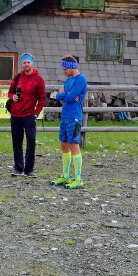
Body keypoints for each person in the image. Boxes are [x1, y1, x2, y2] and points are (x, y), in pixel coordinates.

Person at [51, 55, 88, 189]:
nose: (63, 71)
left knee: (74, 145)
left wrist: (60, 95)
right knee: (64, 145)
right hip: (65, 116)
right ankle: (65, 175)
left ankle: (78, 178)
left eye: (65, 69)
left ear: (71, 67)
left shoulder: (81, 79)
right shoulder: (69, 80)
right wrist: (64, 95)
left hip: (74, 117)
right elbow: (65, 95)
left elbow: (70, 97)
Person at [8, 53, 46, 177]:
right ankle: (18, 167)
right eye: (24, 62)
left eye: (28, 62)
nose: (26, 65)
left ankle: (29, 169)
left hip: (29, 114)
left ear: (32, 64)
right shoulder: (17, 78)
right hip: (16, 114)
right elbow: (10, 92)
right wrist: (12, 97)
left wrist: (36, 112)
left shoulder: (39, 79)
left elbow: (42, 98)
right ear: (22, 64)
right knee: (16, 142)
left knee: (31, 141)